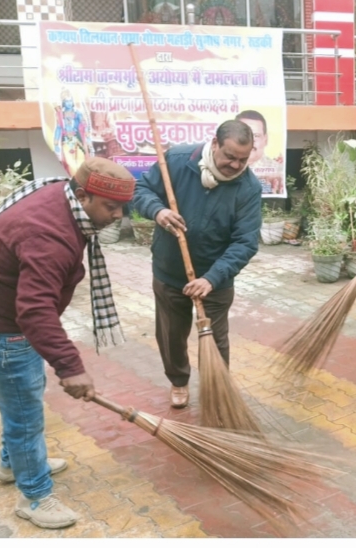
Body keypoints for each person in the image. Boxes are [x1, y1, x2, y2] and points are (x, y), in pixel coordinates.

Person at [0, 158, 136, 529]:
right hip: (0, 329)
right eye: (111, 207)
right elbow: (33, 310)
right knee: (25, 416)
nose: (116, 215)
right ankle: (35, 496)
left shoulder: (61, 198)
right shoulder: (50, 235)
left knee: (19, 401)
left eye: (122, 207)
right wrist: (71, 367)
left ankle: (12, 464)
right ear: (82, 195)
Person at [133, 120, 262, 409]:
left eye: (243, 159)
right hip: (169, 271)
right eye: (230, 156)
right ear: (214, 143)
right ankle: (178, 381)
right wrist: (158, 210)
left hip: (215, 279)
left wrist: (212, 278)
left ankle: (217, 387)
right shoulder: (177, 162)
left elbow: (245, 242)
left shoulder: (248, 187)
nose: (235, 165)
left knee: (215, 339)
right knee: (170, 334)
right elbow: (140, 189)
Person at [235, 110, 284, 195]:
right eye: (244, 134)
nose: (250, 140)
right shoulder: (222, 168)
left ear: (265, 139)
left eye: (256, 136)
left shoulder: (277, 170)